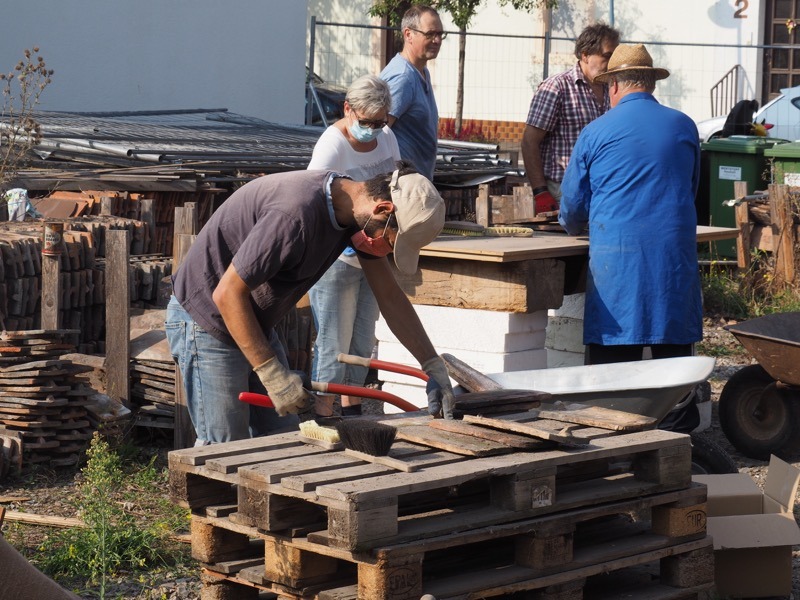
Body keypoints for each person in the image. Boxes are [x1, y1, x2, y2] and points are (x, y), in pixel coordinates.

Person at [166, 163, 456, 444]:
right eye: (390, 242)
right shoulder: (294, 214)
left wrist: (432, 365)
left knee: (281, 439)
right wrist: (272, 375)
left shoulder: (352, 213)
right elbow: (227, 294)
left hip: (252, 322)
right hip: (207, 320)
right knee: (225, 449)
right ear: (382, 209)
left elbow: (390, 297)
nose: (387, 252)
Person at [558, 43, 702, 367]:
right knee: (674, 367)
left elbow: (572, 206)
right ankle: (677, 402)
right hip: (672, 263)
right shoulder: (684, 126)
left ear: (614, 86)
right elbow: (689, 189)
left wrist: (574, 227)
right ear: (651, 85)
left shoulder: (595, 132)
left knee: (612, 370)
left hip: (617, 266)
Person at [307, 74, 401, 417]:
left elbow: (396, 185)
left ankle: (353, 411)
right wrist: (348, 237)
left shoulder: (387, 137)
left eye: (380, 122)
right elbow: (314, 202)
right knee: (333, 342)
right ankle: (323, 414)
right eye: (367, 122)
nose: (373, 130)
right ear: (348, 109)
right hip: (338, 258)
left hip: (374, 254)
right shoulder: (332, 146)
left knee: (362, 339)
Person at [521, 23, 620, 214]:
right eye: (607, 56)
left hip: (599, 189)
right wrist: (540, 192)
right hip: (561, 189)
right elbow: (529, 142)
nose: (612, 63)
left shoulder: (612, 90)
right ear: (585, 55)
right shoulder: (557, 87)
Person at [380, 5, 444, 180]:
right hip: (401, 187)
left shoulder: (421, 71)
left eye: (440, 34)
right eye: (430, 34)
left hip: (416, 184)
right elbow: (376, 133)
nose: (437, 40)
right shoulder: (402, 77)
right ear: (408, 34)